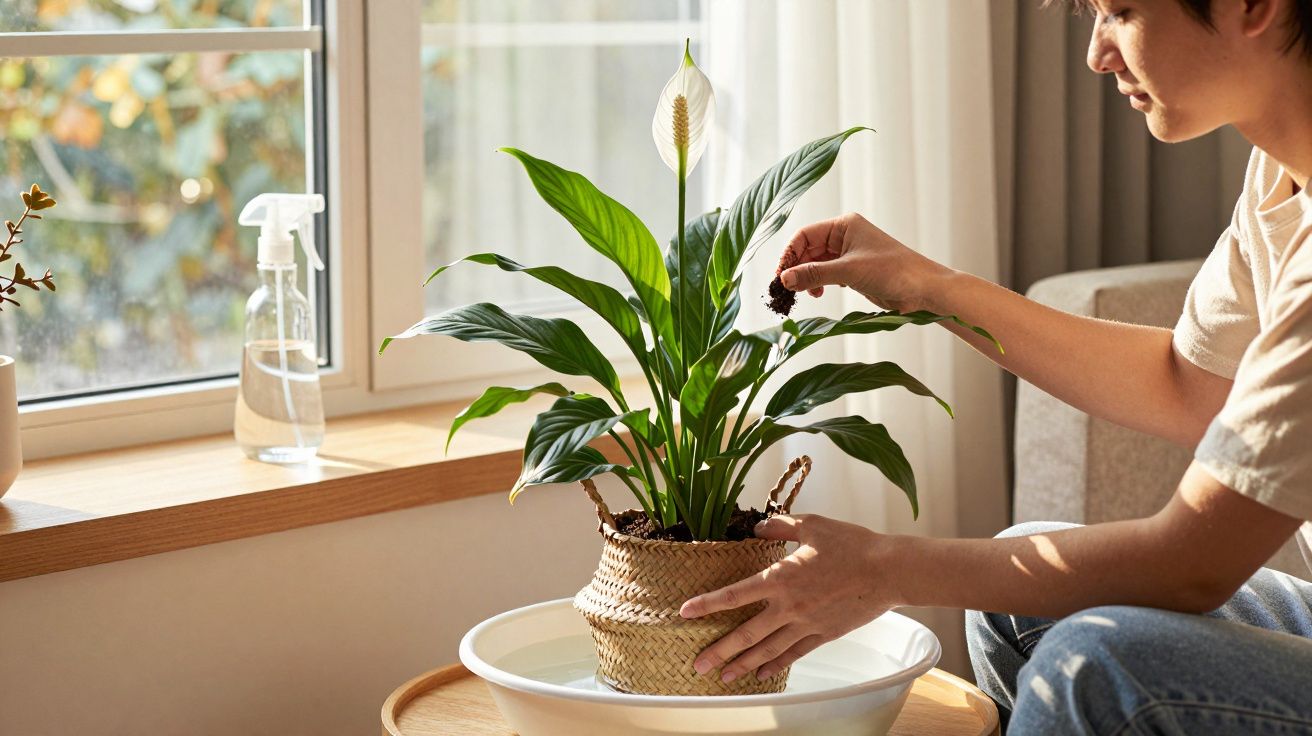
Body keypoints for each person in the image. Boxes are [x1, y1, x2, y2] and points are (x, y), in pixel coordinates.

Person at [677, 0, 1312, 732]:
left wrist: (885, 567)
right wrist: (929, 288)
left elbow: (1192, 563)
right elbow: (1191, 384)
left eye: (1123, 13)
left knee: (1096, 671)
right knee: (1015, 590)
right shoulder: (1278, 176)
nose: (1098, 55)